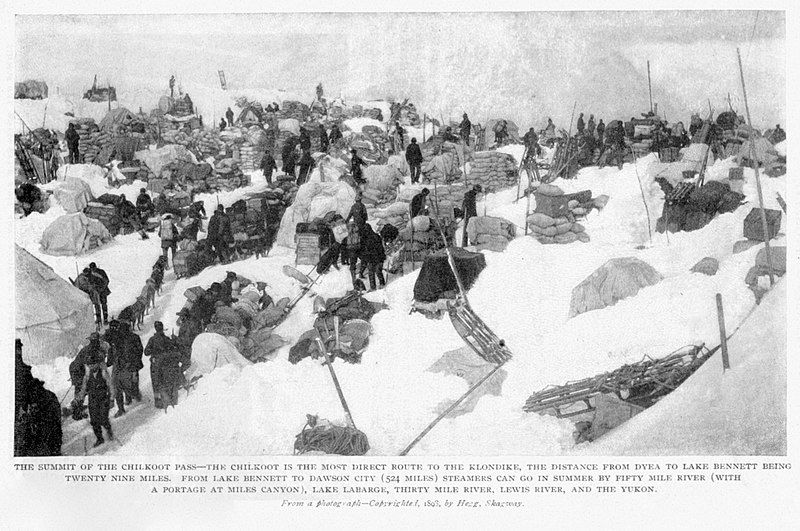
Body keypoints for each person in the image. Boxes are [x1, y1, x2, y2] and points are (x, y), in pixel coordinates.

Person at [14, 339, 62, 457]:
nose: (19, 352)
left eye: (19, 349)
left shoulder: (20, 366)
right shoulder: (19, 367)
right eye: (17, 349)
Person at [75, 334, 114, 447]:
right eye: (89, 365)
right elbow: (84, 387)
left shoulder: (103, 371)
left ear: (97, 363)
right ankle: (99, 438)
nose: (91, 367)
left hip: (103, 398)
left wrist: (111, 399)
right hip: (93, 398)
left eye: (93, 365)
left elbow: (110, 384)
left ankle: (109, 430)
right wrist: (80, 398)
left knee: (103, 418)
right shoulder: (88, 374)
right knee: (94, 420)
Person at [145, 321, 182, 409]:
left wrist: (154, 351)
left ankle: (158, 401)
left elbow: (146, 352)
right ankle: (169, 400)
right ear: (162, 328)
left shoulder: (152, 340)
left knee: (156, 383)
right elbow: (174, 348)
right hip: (166, 365)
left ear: (155, 328)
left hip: (155, 365)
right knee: (166, 381)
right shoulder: (166, 339)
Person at [360, 224, 386, 291]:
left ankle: (380, 284)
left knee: (376, 271)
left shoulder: (375, 237)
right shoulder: (364, 238)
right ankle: (374, 287)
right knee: (372, 272)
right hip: (372, 257)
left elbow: (380, 247)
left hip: (375, 256)